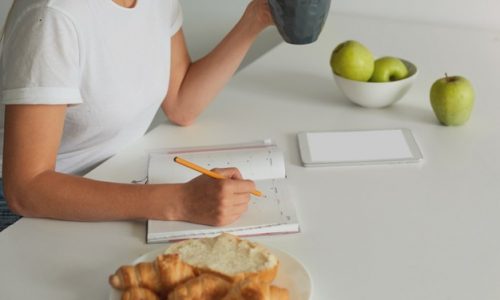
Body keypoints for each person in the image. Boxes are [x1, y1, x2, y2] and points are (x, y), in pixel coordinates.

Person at [0, 0, 274, 231]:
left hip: (113, 179)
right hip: (32, 212)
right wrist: (180, 202)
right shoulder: (52, 16)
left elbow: (181, 103)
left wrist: (255, 19)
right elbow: (26, 188)